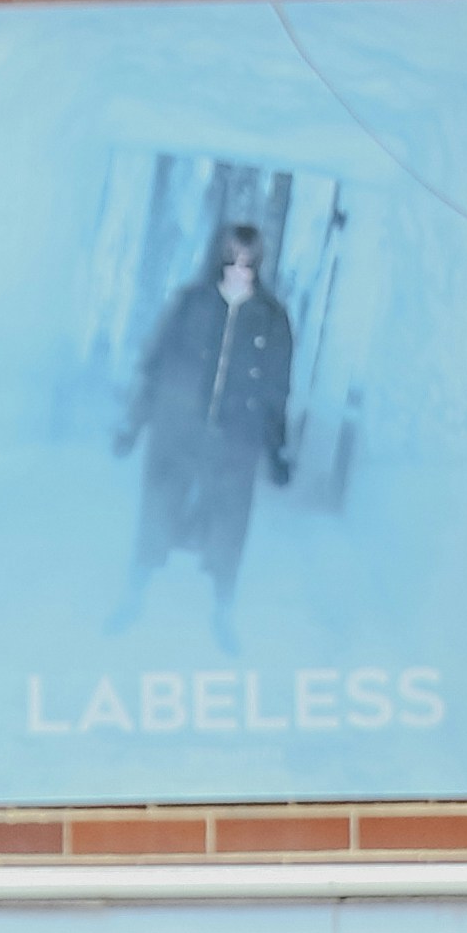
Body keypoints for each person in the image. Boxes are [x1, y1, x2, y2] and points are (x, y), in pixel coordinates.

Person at [113, 219, 295, 644]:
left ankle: (223, 609)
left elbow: (276, 389)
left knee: (230, 524)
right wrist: (134, 423)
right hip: (178, 430)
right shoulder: (190, 303)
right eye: (231, 258)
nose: (238, 268)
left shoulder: (272, 318)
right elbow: (156, 366)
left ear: (260, 263)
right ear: (219, 256)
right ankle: (133, 594)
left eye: (248, 261)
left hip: (236, 439)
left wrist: (278, 450)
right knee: (158, 509)